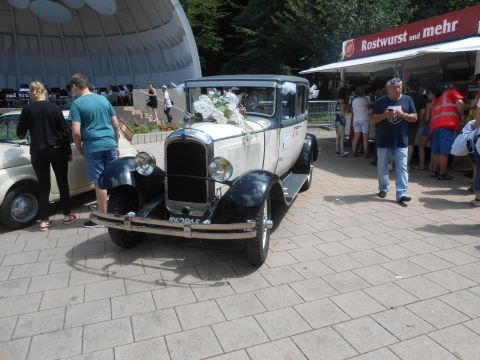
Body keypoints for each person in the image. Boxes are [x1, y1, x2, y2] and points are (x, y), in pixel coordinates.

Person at [17, 81, 77, 231]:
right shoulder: (54, 107)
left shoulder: (27, 109)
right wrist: (68, 151)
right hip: (57, 149)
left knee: (43, 185)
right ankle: (67, 215)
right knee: (62, 182)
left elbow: (20, 133)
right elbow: (64, 131)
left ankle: (44, 220)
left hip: (37, 151)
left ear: (32, 93)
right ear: (45, 92)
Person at [69, 73, 120, 228]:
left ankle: (103, 217)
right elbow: (116, 125)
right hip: (110, 144)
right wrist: (115, 143)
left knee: (100, 183)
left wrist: (79, 148)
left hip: (93, 147)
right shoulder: (103, 99)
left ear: (75, 86)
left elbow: (76, 133)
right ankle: (118, 211)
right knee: (114, 180)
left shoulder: (77, 104)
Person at [369, 78, 417, 206]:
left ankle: (402, 193)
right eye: (395, 87)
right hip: (384, 140)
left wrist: (403, 115)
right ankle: (383, 188)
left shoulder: (408, 99)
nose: (398, 89)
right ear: (388, 89)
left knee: (402, 167)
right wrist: (384, 115)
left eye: (399, 87)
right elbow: (372, 118)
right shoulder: (381, 101)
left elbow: (415, 117)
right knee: (382, 167)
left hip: (401, 140)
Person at [430, 85, 465, 180]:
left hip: (435, 127)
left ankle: (434, 171)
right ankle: (443, 174)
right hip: (447, 126)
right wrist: (462, 115)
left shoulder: (440, 99)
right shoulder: (452, 92)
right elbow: (460, 102)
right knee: (444, 152)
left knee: (436, 152)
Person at [415, 88, 441, 170]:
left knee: (421, 146)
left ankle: (422, 165)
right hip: (439, 126)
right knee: (434, 147)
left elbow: (426, 119)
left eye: (429, 94)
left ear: (433, 95)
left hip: (430, 125)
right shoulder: (441, 104)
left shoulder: (429, 104)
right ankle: (432, 166)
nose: (428, 95)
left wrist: (421, 118)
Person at [405, 79, 426, 167]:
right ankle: (406, 164)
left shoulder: (403, 96)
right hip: (414, 122)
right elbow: (422, 113)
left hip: (402, 121)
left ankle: (392, 163)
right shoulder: (421, 98)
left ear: (408, 87)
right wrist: (421, 121)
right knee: (410, 143)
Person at [351, 87, 371, 157]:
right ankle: (366, 153)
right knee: (365, 137)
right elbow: (369, 106)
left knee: (356, 136)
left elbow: (352, 109)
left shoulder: (354, 100)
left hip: (356, 119)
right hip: (364, 119)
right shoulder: (365, 99)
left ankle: (353, 152)